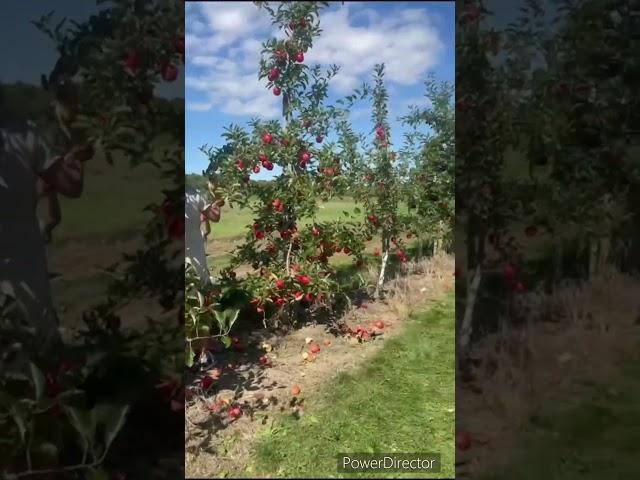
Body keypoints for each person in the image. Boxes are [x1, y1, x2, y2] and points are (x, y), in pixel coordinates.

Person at [1, 103, 88, 352]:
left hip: (20, 261)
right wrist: (77, 155)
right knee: (33, 347)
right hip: (23, 263)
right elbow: (71, 186)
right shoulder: (23, 134)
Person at [185, 185, 221, 286]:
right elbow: (215, 216)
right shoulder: (195, 194)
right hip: (194, 251)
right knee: (199, 285)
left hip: (189, 250)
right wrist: (217, 199)